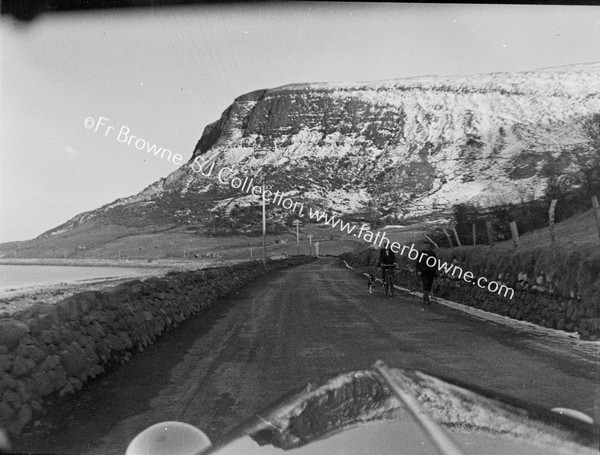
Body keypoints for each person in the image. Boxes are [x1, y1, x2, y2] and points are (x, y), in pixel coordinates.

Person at [415, 241, 437, 305]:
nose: (427, 247)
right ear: (424, 246)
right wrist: (418, 270)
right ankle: (426, 299)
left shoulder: (433, 253)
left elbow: (435, 263)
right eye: (425, 246)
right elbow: (418, 263)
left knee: (429, 285)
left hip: (431, 271)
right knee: (425, 284)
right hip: (423, 272)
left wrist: (435, 270)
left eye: (428, 246)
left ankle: (425, 296)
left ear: (430, 246)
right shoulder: (421, 253)